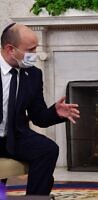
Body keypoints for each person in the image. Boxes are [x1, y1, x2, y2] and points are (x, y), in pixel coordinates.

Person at [0, 23, 80, 195]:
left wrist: (56, 113)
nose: (34, 55)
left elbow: (38, 117)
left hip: (15, 136)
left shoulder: (34, 75)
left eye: (36, 49)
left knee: (48, 149)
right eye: (30, 50)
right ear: (10, 50)